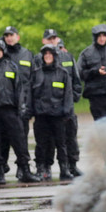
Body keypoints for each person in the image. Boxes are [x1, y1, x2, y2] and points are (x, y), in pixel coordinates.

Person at [0, 39, 37, 184]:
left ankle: (25, 169)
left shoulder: (11, 67)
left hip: (10, 110)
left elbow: (19, 88)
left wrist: (21, 107)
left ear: (3, 51)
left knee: (19, 141)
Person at [30, 44, 75, 181]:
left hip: (58, 116)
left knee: (61, 144)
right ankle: (42, 169)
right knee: (41, 144)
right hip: (41, 115)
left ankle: (64, 169)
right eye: (45, 54)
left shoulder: (63, 73)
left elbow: (68, 94)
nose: (48, 57)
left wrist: (67, 112)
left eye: (50, 54)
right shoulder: (36, 73)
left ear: (55, 56)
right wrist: (31, 111)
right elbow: (30, 94)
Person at [43, 29, 83, 177]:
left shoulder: (68, 56)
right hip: (50, 108)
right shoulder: (41, 59)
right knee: (49, 140)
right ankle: (47, 167)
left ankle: (72, 166)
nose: (52, 41)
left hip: (67, 108)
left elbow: (76, 82)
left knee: (70, 138)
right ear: (44, 42)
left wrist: (71, 100)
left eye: (54, 38)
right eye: (49, 39)